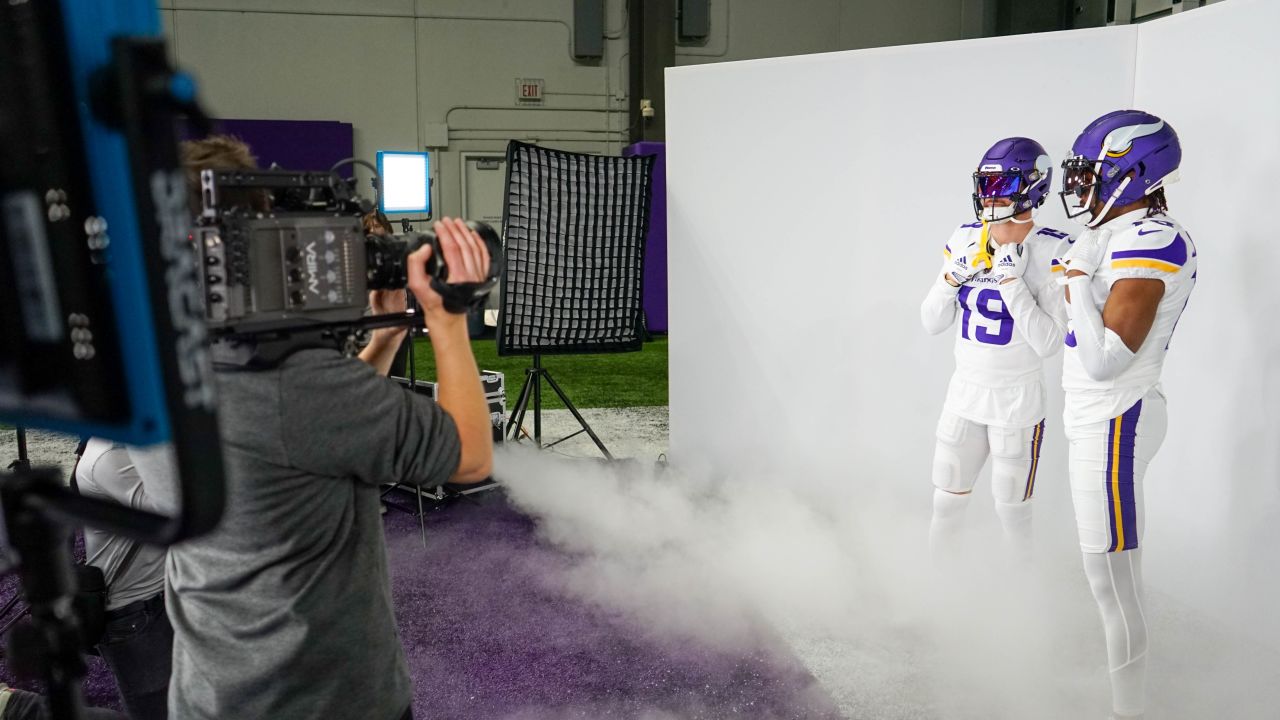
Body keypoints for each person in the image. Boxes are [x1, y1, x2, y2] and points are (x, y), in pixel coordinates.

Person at [160, 136, 494, 720]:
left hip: (212, 692)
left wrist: (383, 340)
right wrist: (448, 318)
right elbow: (467, 457)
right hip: (322, 699)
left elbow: (303, 443)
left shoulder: (169, 364)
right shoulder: (297, 386)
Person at [1056, 110, 1194, 720]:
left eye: (1093, 173)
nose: (1080, 185)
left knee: (1109, 583)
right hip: (1100, 416)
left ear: (1134, 172)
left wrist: (1074, 284)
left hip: (1117, 416)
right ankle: (1126, 693)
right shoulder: (1113, 231)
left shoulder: (1151, 238)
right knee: (1118, 574)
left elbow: (1105, 360)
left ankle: (1128, 711)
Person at [920, 137, 1072, 560]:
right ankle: (937, 589)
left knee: (1012, 512)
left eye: (1000, 186)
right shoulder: (966, 236)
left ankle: (1019, 603)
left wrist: (1012, 284)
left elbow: (1049, 343)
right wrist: (951, 278)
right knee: (946, 502)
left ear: (1031, 187)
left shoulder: (1054, 248)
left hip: (1017, 399)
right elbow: (932, 322)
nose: (988, 198)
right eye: (985, 186)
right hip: (965, 391)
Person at [74, 439, 173, 720]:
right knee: (156, 711)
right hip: (133, 614)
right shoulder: (108, 456)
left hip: (154, 599)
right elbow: (173, 514)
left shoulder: (128, 448)